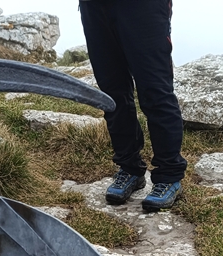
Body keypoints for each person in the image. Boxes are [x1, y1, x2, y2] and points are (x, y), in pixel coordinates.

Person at [79, 0, 187, 212]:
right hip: (94, 7)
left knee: (155, 90)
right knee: (112, 92)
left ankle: (169, 175)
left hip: (143, 8)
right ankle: (129, 168)